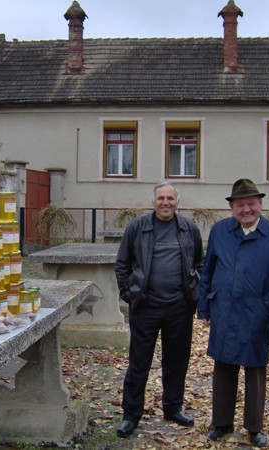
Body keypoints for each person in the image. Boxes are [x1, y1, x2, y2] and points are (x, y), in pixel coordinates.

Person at [197, 178, 269, 447]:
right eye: (240, 205)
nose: (246, 210)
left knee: (255, 369)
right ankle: (221, 422)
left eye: (251, 203)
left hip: (257, 313)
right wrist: (204, 306)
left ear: (260, 204)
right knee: (223, 366)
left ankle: (254, 427)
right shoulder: (220, 231)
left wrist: (267, 306)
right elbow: (208, 270)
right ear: (232, 207)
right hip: (224, 310)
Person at [114, 181, 203, 438]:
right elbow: (122, 264)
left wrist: (194, 294)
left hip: (179, 307)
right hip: (146, 307)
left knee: (176, 361)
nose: (166, 202)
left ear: (177, 202)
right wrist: (128, 294)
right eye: (161, 198)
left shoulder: (189, 229)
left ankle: (173, 408)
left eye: (170, 198)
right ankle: (131, 415)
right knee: (139, 362)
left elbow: (200, 263)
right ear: (153, 201)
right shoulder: (137, 228)